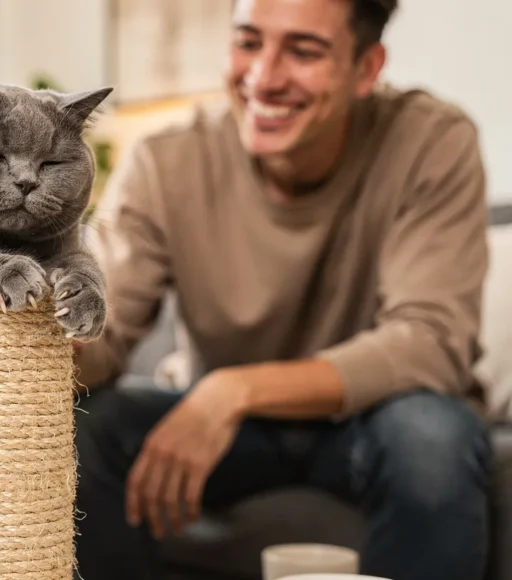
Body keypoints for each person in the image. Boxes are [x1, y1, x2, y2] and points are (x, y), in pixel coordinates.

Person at [72, 0, 494, 579]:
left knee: (431, 438)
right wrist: (46, 338)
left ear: (368, 68)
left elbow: (430, 342)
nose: (263, 77)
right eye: (248, 42)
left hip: (374, 422)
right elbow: (105, 329)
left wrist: (232, 392)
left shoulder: (431, 142)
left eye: (303, 51)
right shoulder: (166, 160)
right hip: (224, 433)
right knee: (83, 425)